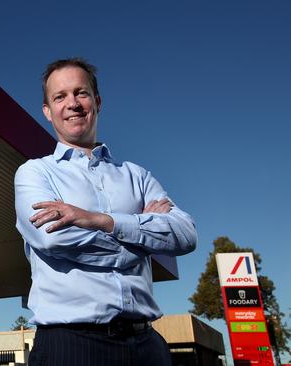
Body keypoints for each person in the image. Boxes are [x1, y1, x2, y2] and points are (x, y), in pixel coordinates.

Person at [14, 58, 197, 366]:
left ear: (97, 101)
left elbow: (186, 234)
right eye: (60, 97)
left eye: (80, 93)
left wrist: (99, 221)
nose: (72, 103)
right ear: (47, 111)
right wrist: (143, 236)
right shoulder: (34, 174)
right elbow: (52, 240)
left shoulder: (137, 176)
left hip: (147, 345)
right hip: (70, 347)